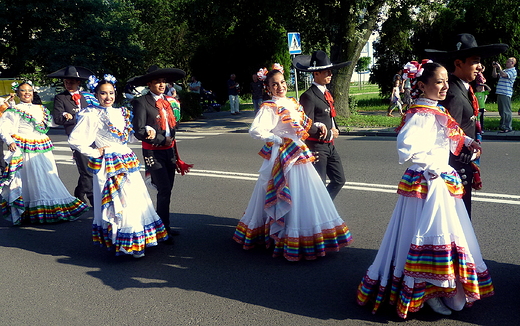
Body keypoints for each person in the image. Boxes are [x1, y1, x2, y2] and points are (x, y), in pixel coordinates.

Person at [356, 62, 494, 318]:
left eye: (445, 81)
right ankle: (425, 290)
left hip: (441, 180)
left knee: (447, 235)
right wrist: (431, 167)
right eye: (438, 82)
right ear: (422, 85)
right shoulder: (420, 113)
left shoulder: (437, 110)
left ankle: (444, 288)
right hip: (429, 181)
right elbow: (406, 147)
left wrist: (469, 141)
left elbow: (450, 134)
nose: (444, 87)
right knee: (428, 235)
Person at [233, 68, 352, 261]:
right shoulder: (269, 107)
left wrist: (320, 126)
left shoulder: (292, 102)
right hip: (283, 156)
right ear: (268, 88)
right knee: (285, 192)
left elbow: (304, 124)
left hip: (299, 154)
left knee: (305, 194)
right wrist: (277, 139)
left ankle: (301, 234)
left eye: (282, 83)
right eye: (275, 84)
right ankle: (282, 235)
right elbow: (255, 131)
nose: (280, 87)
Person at [68, 75, 169, 257]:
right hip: (108, 163)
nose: (108, 97)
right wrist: (95, 152)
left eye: (111, 93)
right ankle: (123, 241)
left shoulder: (121, 112)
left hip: (126, 158)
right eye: (103, 93)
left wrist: (146, 129)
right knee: (118, 202)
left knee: (134, 199)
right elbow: (75, 140)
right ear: (96, 94)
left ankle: (135, 238)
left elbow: (127, 137)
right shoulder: (91, 114)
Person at [427, 33, 508, 218]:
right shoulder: (453, 93)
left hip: (463, 164)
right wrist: (468, 151)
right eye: (475, 61)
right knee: (457, 218)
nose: (480, 67)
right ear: (458, 63)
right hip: (456, 166)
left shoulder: (463, 87)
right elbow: (447, 133)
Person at [0, 81, 88, 225]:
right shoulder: (13, 110)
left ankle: (49, 207)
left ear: (33, 92)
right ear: (17, 93)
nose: (27, 93)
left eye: (29, 90)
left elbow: (50, 123)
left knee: (46, 175)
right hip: (25, 145)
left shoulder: (40, 108)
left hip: (41, 145)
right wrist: (10, 141)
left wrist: (64, 115)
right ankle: (29, 209)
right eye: (23, 91)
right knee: (29, 178)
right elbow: (4, 128)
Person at [130, 65, 188, 239]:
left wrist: (170, 136)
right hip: (153, 152)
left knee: (168, 189)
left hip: (169, 151)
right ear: (149, 84)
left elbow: (172, 125)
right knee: (163, 189)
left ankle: (164, 226)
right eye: (157, 82)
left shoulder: (169, 101)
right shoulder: (141, 102)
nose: (162, 85)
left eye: (163, 81)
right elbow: (138, 131)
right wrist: (160, 138)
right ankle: (161, 230)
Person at [293, 50, 350, 200]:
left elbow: (329, 115)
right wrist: (329, 133)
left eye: (330, 71)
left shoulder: (326, 92)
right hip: (317, 147)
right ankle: (316, 216)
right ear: (316, 74)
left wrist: (335, 128)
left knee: (339, 180)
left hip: (329, 146)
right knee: (318, 184)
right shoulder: (309, 96)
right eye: (326, 72)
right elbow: (306, 125)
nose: (330, 74)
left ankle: (324, 209)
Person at [48, 65, 95, 206]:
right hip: (76, 138)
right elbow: (57, 118)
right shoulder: (60, 98)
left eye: (72, 82)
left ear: (78, 82)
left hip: (92, 135)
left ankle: (80, 191)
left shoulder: (88, 96)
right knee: (85, 168)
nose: (68, 84)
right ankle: (92, 197)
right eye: (66, 82)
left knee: (93, 166)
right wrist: (67, 116)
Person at [492, 57, 517, 132]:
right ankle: (502, 126)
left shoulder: (513, 71)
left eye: (508, 62)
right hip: (500, 92)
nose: (506, 63)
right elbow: (495, 76)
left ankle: (507, 127)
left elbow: (504, 75)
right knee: (501, 110)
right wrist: (494, 68)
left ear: (512, 63)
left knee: (506, 111)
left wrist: (499, 68)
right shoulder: (505, 70)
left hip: (506, 93)